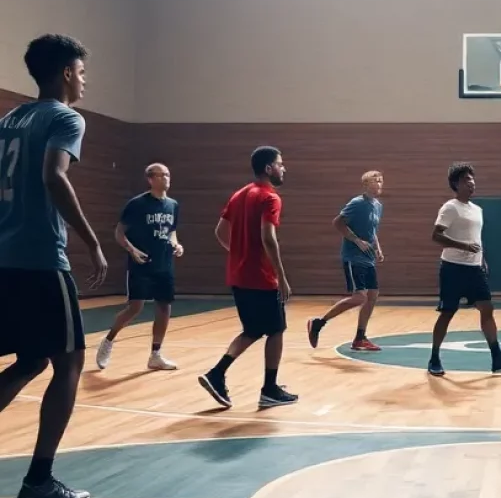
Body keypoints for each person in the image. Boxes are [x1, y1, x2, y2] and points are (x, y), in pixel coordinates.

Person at [0, 34, 107, 498]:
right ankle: (39, 481)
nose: (84, 80)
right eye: (81, 72)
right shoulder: (66, 117)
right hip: (42, 259)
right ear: (66, 72)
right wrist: (93, 242)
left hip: (5, 257)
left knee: (30, 360)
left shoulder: (10, 120)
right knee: (68, 363)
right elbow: (53, 175)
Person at [198, 146, 297, 410]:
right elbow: (268, 237)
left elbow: (219, 230)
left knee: (253, 330)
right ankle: (269, 389)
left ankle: (217, 374)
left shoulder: (240, 194)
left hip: (239, 275)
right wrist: (281, 274)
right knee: (276, 330)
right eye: (280, 163)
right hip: (261, 277)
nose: (283, 168)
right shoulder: (269, 197)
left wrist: (238, 253)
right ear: (268, 168)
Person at [428, 162, 501, 378]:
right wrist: (463, 247)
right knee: (447, 313)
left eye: (472, 179)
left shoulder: (477, 210)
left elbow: (476, 239)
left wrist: (482, 258)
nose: (471, 183)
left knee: (487, 308)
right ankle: (434, 358)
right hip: (452, 268)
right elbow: (436, 236)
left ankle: (497, 357)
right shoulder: (450, 207)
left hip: (474, 269)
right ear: (456, 184)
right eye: (465, 180)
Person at [96, 163, 183, 372]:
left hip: (164, 264)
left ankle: (155, 354)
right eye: (162, 175)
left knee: (164, 307)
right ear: (150, 179)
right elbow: (119, 232)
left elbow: (171, 231)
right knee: (135, 308)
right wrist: (132, 250)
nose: (166, 178)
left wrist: (176, 244)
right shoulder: (137, 204)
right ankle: (108, 340)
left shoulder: (173, 205)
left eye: (168, 175)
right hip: (141, 265)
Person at [307, 170, 384, 352]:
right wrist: (356, 240)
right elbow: (338, 223)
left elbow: (372, 230)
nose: (379, 184)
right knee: (359, 297)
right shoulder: (357, 203)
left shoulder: (378, 205)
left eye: (381, 181)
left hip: (368, 257)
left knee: (372, 295)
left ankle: (360, 338)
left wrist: (378, 248)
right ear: (365, 185)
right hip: (353, 257)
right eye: (375, 181)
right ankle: (318, 323)